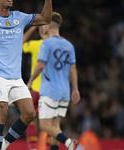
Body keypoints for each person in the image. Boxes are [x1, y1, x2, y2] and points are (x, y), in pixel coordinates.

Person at [0, 0, 52, 149]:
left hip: (15, 77)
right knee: (2, 108)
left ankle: (3, 144)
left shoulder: (19, 17)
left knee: (29, 113)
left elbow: (46, 18)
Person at [27, 12, 80, 150]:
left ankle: (69, 142)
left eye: (44, 23)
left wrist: (30, 81)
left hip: (50, 91)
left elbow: (40, 65)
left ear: (49, 26)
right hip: (64, 92)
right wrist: (75, 89)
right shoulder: (69, 45)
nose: (42, 26)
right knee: (55, 126)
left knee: (44, 125)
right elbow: (73, 68)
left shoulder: (47, 43)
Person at [23, 26, 51, 150]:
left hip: (35, 89)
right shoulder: (57, 46)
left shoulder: (35, 45)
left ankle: (33, 148)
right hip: (50, 91)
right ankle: (49, 147)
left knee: (31, 120)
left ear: (40, 31)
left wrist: (32, 28)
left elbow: (20, 44)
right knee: (49, 122)